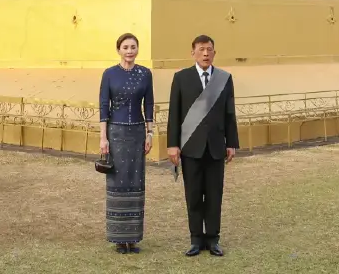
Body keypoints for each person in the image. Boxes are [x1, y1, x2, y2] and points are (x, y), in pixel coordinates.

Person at [166, 34, 239, 257]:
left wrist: (232, 143)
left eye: (209, 49)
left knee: (215, 195)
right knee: (194, 195)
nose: (205, 53)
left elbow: (229, 113)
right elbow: (174, 114)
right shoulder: (181, 78)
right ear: (193, 53)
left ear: (214, 52)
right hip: (190, 147)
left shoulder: (224, 79)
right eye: (201, 49)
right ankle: (196, 239)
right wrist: (172, 145)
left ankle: (213, 239)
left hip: (217, 146)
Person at [98, 32, 154, 254]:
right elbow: (104, 106)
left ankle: (133, 238)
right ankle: (119, 239)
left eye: (133, 47)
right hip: (116, 133)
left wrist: (150, 134)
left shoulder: (145, 74)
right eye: (125, 47)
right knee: (117, 183)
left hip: (137, 133)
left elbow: (149, 104)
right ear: (118, 50)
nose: (130, 51)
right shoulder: (110, 74)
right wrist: (103, 138)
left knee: (136, 182)